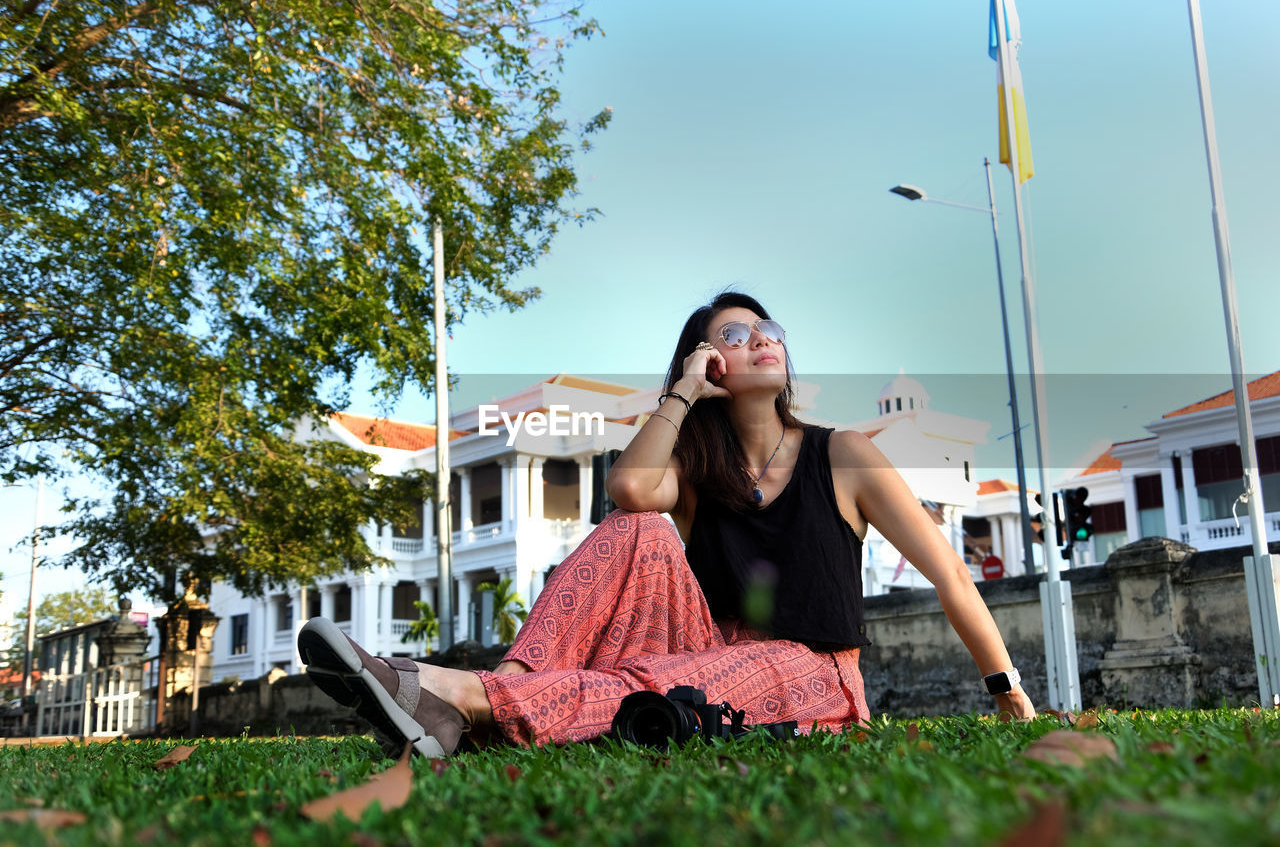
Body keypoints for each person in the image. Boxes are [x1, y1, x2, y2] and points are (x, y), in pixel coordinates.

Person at [298, 291, 1035, 758]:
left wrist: (1004, 687)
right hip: (706, 650)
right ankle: (498, 690)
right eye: (736, 335)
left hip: (814, 672)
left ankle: (448, 693)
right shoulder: (695, 472)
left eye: (766, 328)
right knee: (640, 526)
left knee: (654, 685)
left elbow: (948, 574)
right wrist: (683, 390)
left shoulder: (842, 454)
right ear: (710, 363)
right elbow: (627, 487)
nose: (762, 339)